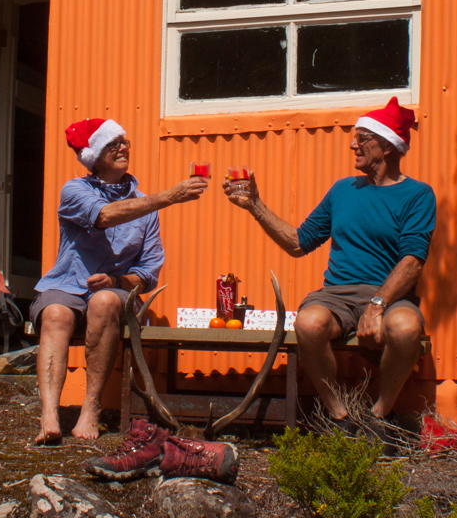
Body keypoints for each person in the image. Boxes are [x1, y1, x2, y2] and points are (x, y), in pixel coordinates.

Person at [223, 97, 436, 432]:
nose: (353, 145)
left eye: (363, 138)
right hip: (338, 294)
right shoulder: (342, 191)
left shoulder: (418, 195)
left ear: (388, 146)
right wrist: (255, 205)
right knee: (308, 323)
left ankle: (378, 418)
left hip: (391, 297)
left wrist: (377, 305)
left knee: (406, 329)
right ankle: (340, 417)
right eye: (355, 137)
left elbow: (412, 262)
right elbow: (298, 242)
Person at [30, 117, 208, 443]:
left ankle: (91, 408)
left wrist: (116, 280)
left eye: (124, 141)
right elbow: (103, 215)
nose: (123, 147)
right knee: (55, 313)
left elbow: (148, 273)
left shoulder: (145, 206)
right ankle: (49, 414)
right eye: (113, 144)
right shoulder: (75, 190)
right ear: (95, 157)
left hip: (113, 293)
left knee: (105, 300)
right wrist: (169, 196)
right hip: (67, 284)